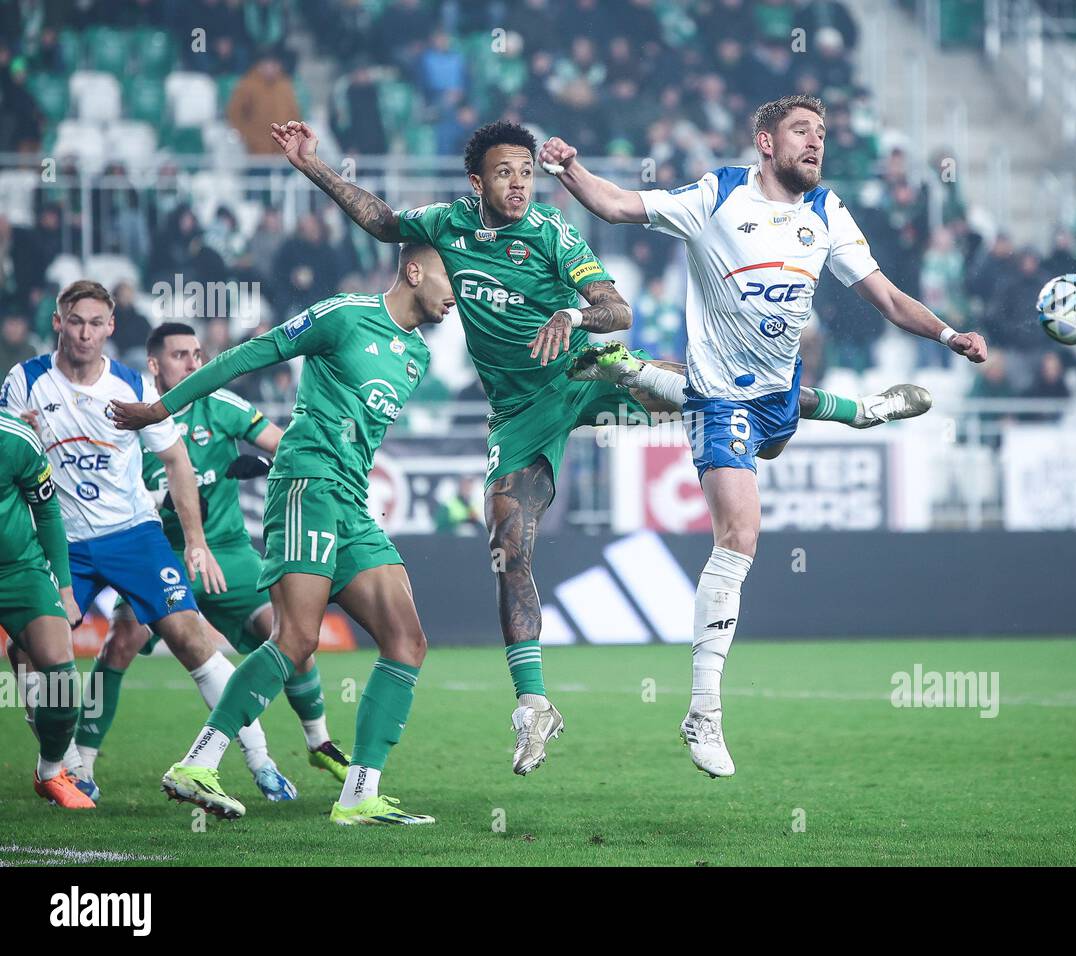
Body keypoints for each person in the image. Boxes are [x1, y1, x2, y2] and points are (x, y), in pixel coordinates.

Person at [270, 116, 933, 777]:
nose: (519, 184)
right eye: (505, 173)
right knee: (507, 541)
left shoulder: (551, 233)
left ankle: (856, 410)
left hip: (586, 376)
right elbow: (383, 221)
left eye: (526, 173)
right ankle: (534, 705)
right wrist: (312, 165)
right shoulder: (447, 225)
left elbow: (617, 310)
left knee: (708, 392)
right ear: (476, 182)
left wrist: (573, 314)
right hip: (520, 414)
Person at [537, 93, 987, 776]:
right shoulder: (716, 196)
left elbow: (890, 298)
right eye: (801, 130)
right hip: (721, 398)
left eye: (822, 132)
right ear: (766, 143)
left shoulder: (826, 212)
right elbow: (620, 205)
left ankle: (846, 408)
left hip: (778, 390)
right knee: (740, 535)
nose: (816, 141)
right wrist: (569, 169)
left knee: (769, 435)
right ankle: (703, 712)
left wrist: (950, 335)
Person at [111, 244, 455, 826]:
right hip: (305, 484)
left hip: (351, 502)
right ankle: (198, 764)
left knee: (407, 641)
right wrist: (161, 410)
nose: (458, 293)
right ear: (414, 271)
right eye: (451, 277)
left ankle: (359, 795)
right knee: (295, 638)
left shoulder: (417, 355)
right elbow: (247, 355)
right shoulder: (344, 315)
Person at [1, 280, 295, 803]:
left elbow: (176, 461)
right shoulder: (25, 381)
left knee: (191, 639)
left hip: (134, 534)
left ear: (111, 327)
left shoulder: (131, 384)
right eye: (76, 321)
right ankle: (68, 766)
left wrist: (196, 541)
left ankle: (260, 760)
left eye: (96, 323)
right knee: (27, 650)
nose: (85, 333)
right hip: (63, 539)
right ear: (58, 322)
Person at [107, 322, 350, 783]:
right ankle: (77, 763)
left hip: (230, 552)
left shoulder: (221, 404)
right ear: (154, 364)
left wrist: (268, 463)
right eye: (180, 355)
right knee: (119, 644)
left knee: (292, 635)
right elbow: (110, 489)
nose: (194, 363)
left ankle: (319, 741)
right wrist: (156, 498)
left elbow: (286, 445)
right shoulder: (133, 416)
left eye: (198, 354)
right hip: (158, 552)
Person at [0, 409, 90, 808]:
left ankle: (51, 771)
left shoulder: (16, 438)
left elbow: (48, 511)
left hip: (20, 570)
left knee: (63, 680)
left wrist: (65, 590)